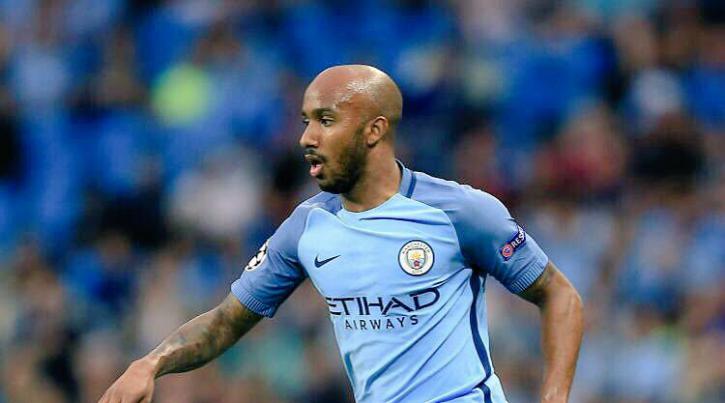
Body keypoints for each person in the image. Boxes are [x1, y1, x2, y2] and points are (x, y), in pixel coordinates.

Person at [100, 65, 583, 403]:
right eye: (306, 121)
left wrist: (554, 396)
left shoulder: (459, 212)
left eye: (326, 121)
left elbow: (559, 295)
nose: (306, 138)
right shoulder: (306, 227)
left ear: (374, 131)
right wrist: (150, 363)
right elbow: (225, 322)